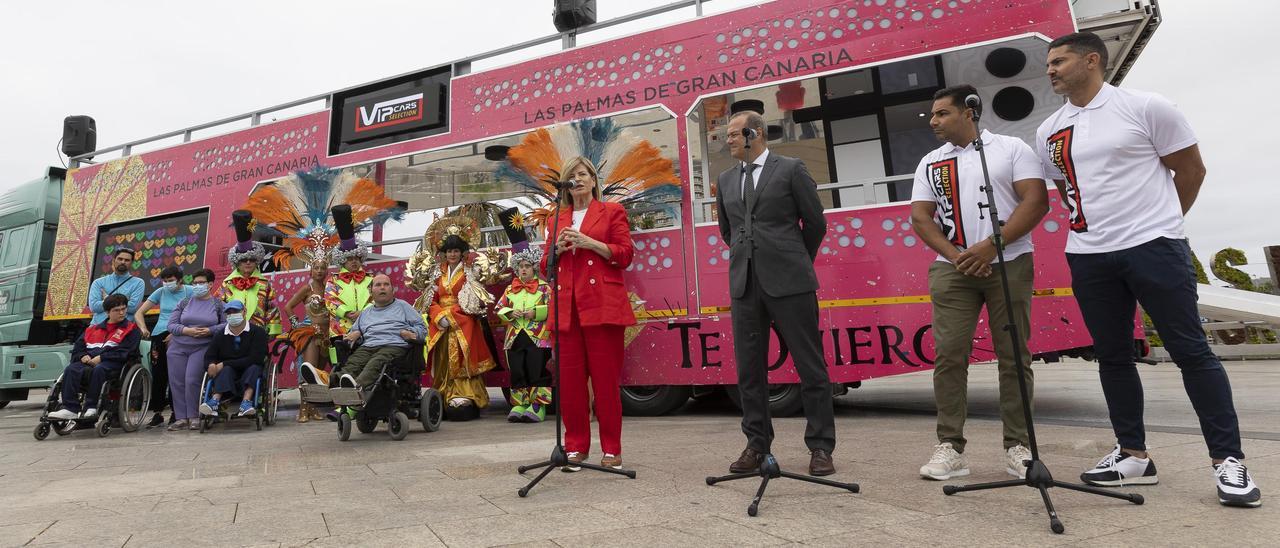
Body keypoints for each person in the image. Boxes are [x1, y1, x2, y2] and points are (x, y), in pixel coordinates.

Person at [1037, 31, 1260, 507]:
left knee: (1191, 353)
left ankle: (1228, 463)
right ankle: (1133, 456)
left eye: (1059, 61)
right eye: (1049, 62)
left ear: (1091, 60)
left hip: (1154, 247)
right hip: (1088, 254)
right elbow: (1068, 189)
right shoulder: (1049, 129)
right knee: (1113, 357)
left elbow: (1192, 169)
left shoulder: (1146, 106)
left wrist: (1161, 224)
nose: (1051, 69)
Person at [909, 85, 1049, 481]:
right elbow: (921, 217)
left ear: (968, 112)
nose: (933, 121)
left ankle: (1018, 447)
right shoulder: (930, 162)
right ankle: (950, 447)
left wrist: (990, 247)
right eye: (933, 115)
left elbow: (1036, 201)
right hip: (951, 268)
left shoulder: (1010, 149)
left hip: (1010, 263)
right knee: (949, 354)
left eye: (941, 114)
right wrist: (958, 257)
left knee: (1013, 355)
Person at [714, 109, 835, 476]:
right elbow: (727, 231)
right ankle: (756, 444)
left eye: (734, 134)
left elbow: (815, 222)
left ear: (754, 134)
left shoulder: (791, 168)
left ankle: (820, 446)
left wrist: (795, 258)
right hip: (745, 283)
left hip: (791, 281)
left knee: (810, 365)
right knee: (750, 370)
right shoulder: (725, 179)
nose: (729, 140)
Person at [540, 156, 636, 471]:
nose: (577, 179)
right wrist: (556, 251)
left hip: (602, 306)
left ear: (594, 180)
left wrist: (590, 243)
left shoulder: (612, 211)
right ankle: (576, 447)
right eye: (572, 175)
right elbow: (544, 269)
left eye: (583, 174)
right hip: (566, 308)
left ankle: (612, 449)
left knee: (606, 382)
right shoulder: (557, 218)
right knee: (570, 384)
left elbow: (625, 255)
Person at [420, 216, 498, 421]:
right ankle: (442, 394)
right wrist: (438, 317)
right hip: (442, 323)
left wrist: (452, 316)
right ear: (444, 254)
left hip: (463, 320)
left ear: (462, 252)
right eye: (449, 251)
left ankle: (464, 394)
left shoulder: (470, 273)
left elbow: (471, 300)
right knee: (442, 360)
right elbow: (431, 300)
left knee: (463, 357)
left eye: (455, 251)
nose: (452, 254)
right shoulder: (437, 273)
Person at [48, 294, 142, 420]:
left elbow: (126, 352)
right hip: (90, 362)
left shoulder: (131, 329)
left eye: (123, 309)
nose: (121, 312)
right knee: (71, 369)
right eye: (116, 310)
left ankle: (91, 407)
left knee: (99, 369)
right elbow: (78, 348)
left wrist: (102, 357)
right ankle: (70, 408)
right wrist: (82, 356)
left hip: (115, 363)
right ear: (107, 312)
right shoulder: (92, 329)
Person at [334, 274, 427, 390]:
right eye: (378, 285)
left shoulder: (403, 306)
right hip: (368, 346)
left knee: (376, 363)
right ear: (371, 292)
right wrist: (357, 333)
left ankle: (357, 387)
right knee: (353, 363)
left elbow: (422, 328)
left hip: (393, 346)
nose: (382, 287)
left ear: (392, 290)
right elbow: (354, 333)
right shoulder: (366, 313)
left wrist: (411, 332)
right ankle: (330, 382)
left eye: (386, 284)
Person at [496, 247, 552, 423]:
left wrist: (535, 313)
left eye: (527, 266)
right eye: (520, 266)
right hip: (514, 337)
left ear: (534, 268)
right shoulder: (509, 290)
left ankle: (538, 405)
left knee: (537, 370)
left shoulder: (544, 288)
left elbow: (553, 308)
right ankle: (520, 404)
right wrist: (511, 312)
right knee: (517, 370)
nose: (524, 269)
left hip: (537, 337)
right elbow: (498, 308)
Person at [166, 268, 226, 431]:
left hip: (202, 347)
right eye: (195, 283)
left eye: (201, 283)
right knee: (176, 382)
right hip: (178, 347)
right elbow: (171, 324)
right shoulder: (184, 302)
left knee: (192, 380)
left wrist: (211, 330)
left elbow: (227, 324)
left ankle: (194, 416)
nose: (197, 286)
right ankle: (181, 418)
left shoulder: (218, 304)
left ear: (211, 284)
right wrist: (186, 330)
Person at [134, 266, 192, 428]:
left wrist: (176, 332)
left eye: (171, 281)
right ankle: (158, 413)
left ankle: (177, 412)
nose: (167, 284)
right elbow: (139, 313)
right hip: (159, 334)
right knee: (159, 375)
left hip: (180, 333)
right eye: (165, 281)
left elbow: (196, 313)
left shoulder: (190, 291)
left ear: (180, 279)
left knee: (176, 374)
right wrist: (144, 328)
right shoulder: (161, 292)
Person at [200, 300, 269, 419]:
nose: (232, 315)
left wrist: (223, 363)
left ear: (244, 312)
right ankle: (215, 401)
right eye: (229, 313)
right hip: (228, 372)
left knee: (253, 368)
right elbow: (209, 356)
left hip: (250, 368)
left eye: (235, 311)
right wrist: (211, 365)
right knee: (225, 369)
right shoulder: (220, 335)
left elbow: (256, 358)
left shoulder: (258, 332)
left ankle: (246, 402)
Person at [324, 205, 374, 368]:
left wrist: (363, 313)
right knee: (341, 366)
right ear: (342, 260)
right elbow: (330, 301)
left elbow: (378, 300)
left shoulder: (371, 279)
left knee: (366, 365)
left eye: (356, 258)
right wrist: (347, 312)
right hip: (340, 331)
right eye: (349, 258)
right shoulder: (333, 280)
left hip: (367, 329)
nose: (353, 261)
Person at [285, 259, 332, 422]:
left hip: (327, 335)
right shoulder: (307, 288)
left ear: (327, 271)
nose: (319, 271)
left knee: (319, 374)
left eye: (322, 268)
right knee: (308, 371)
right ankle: (303, 408)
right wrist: (296, 325)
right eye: (316, 268)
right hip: (310, 333)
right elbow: (288, 306)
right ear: (311, 271)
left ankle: (313, 407)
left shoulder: (331, 289)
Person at [221, 210, 281, 336]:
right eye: (243, 260)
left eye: (252, 259)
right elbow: (218, 309)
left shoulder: (265, 284)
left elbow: (272, 308)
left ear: (257, 261)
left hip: (257, 334)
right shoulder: (227, 284)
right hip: (231, 334)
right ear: (237, 262)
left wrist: (272, 332)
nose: (248, 262)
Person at [88, 248, 145, 325]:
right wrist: (124, 301)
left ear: (132, 263)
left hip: (123, 331)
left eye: (127, 260)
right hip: (98, 328)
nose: (123, 262)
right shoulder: (98, 282)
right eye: (120, 259)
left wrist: (107, 299)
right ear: (114, 260)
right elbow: (94, 307)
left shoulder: (138, 283)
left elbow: (133, 308)